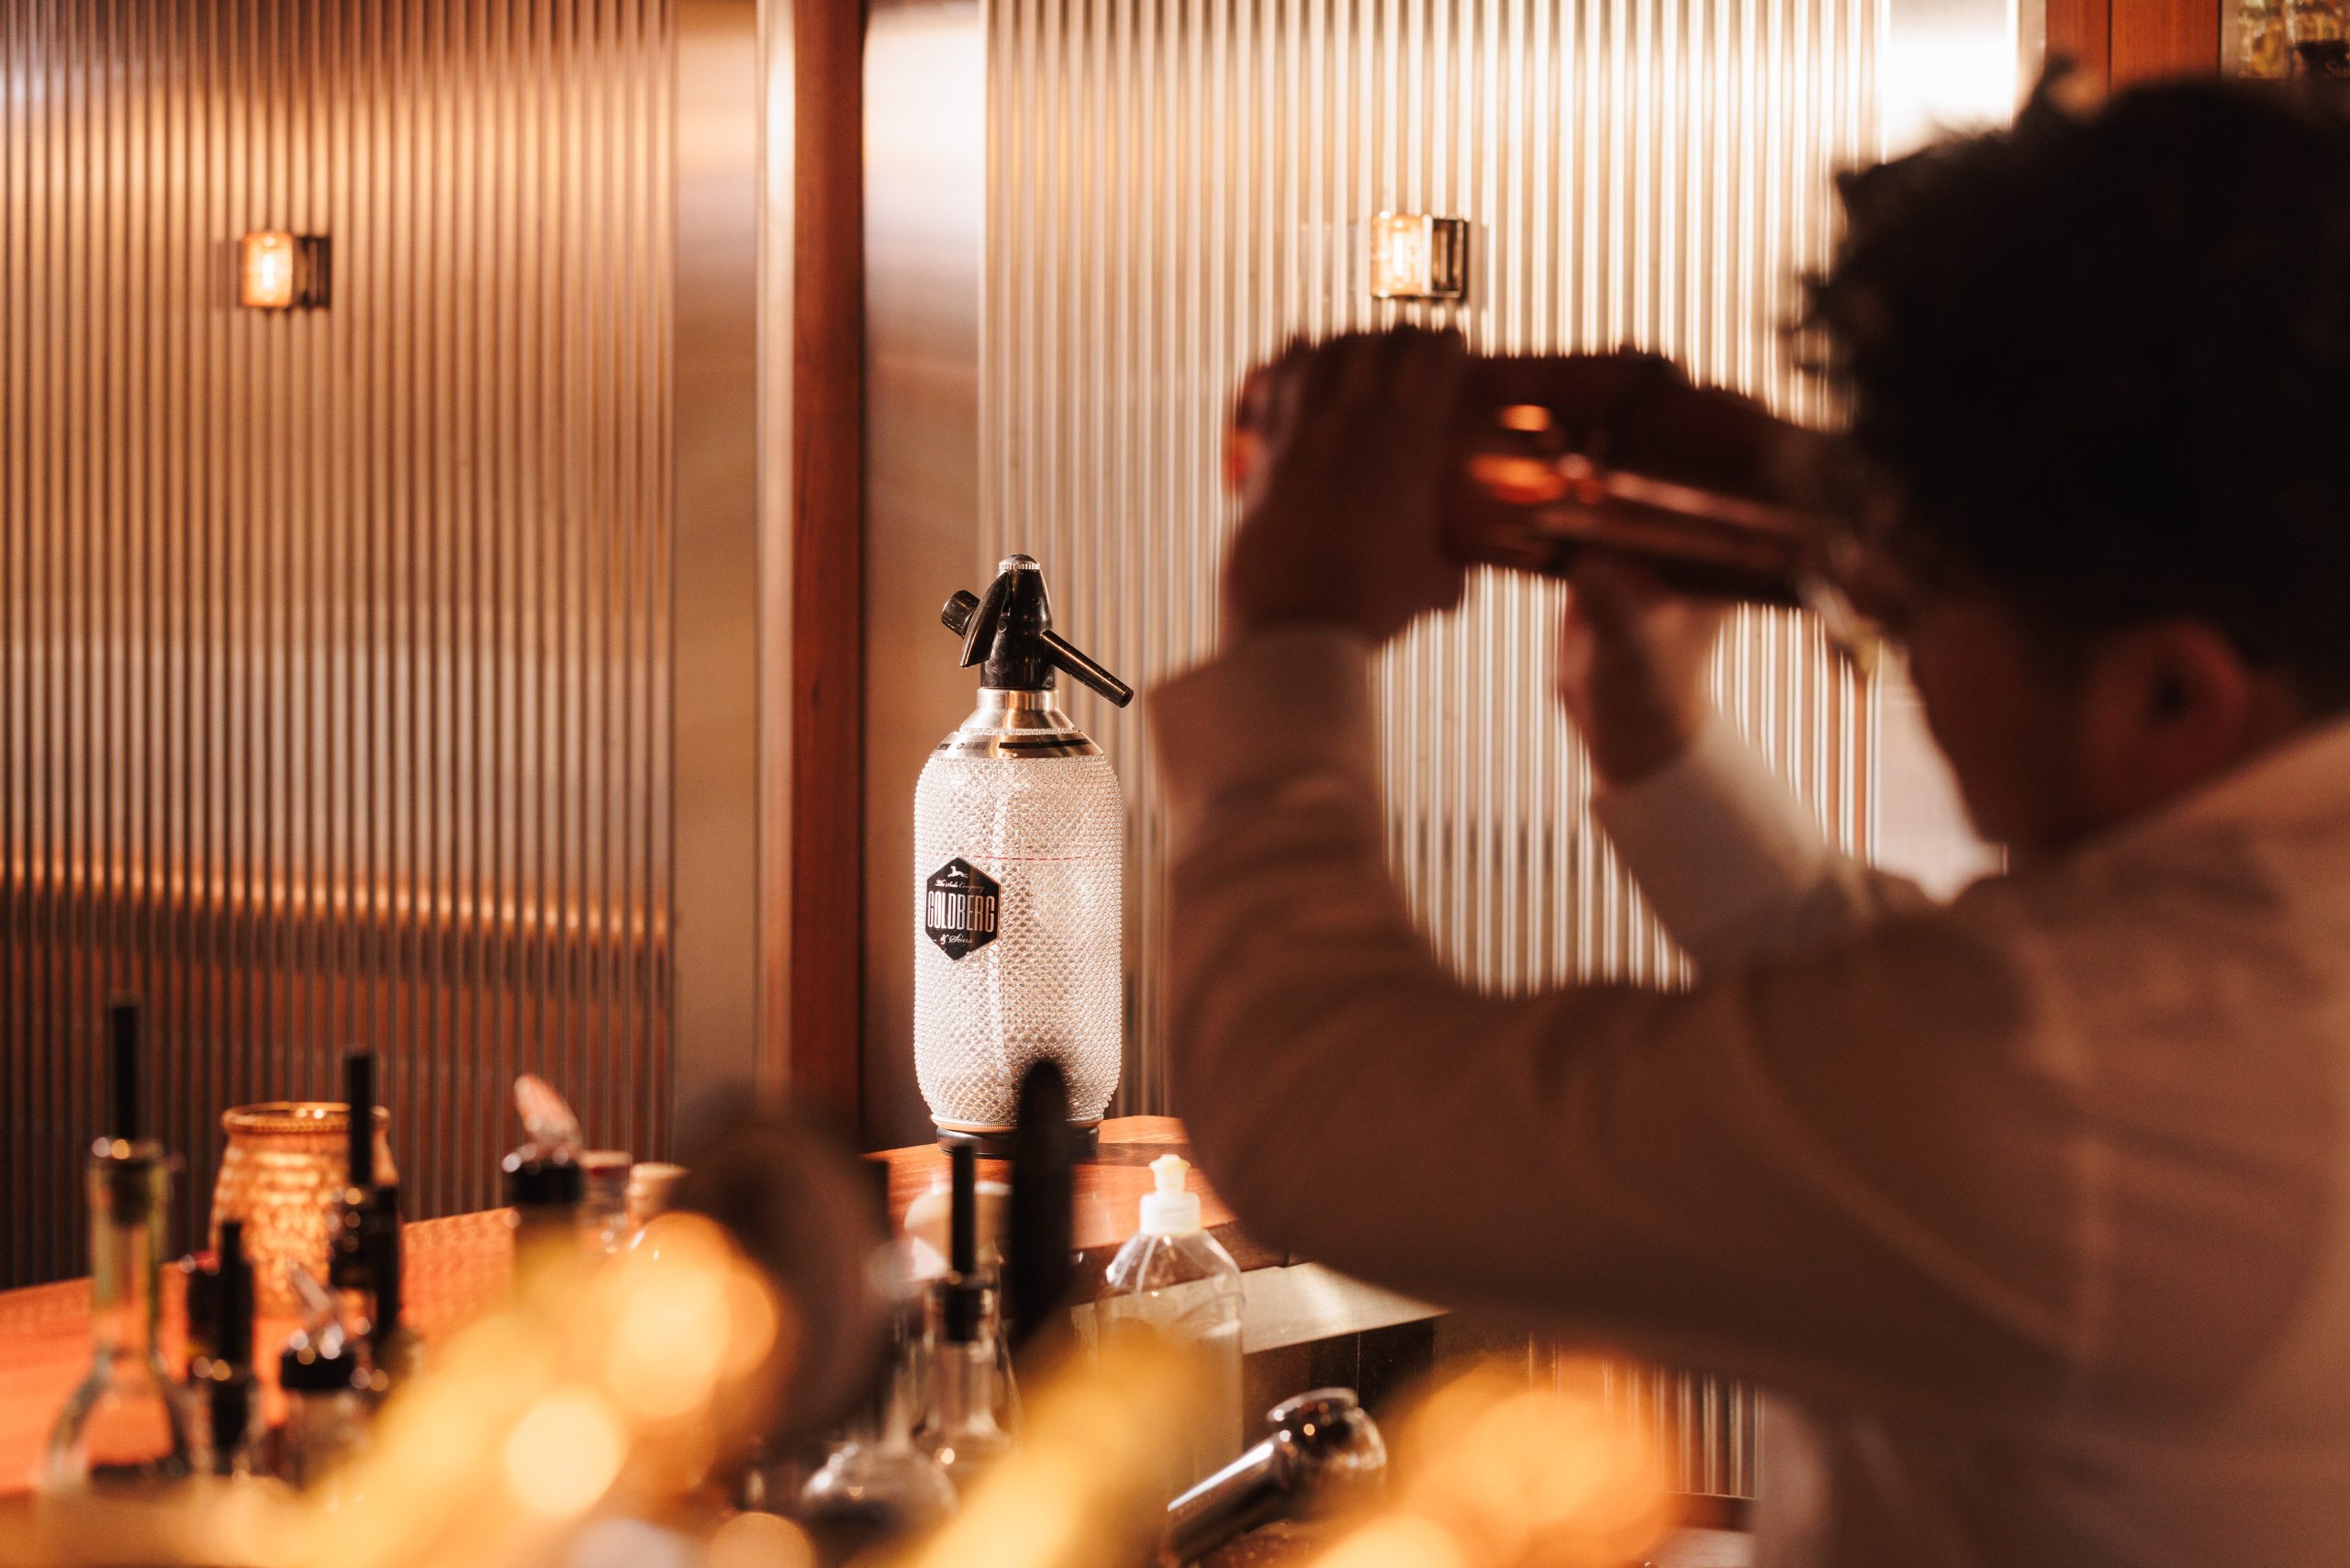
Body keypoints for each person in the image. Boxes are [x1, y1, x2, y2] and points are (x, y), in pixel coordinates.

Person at [1147, 74, 2350, 1567]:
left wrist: (1292, 634)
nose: (1889, 620)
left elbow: (1323, 1117)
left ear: (2173, 700)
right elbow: (1911, 1029)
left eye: (1931, 603)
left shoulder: (2084, 1086)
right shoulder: (2250, 964)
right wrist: (1663, 755)